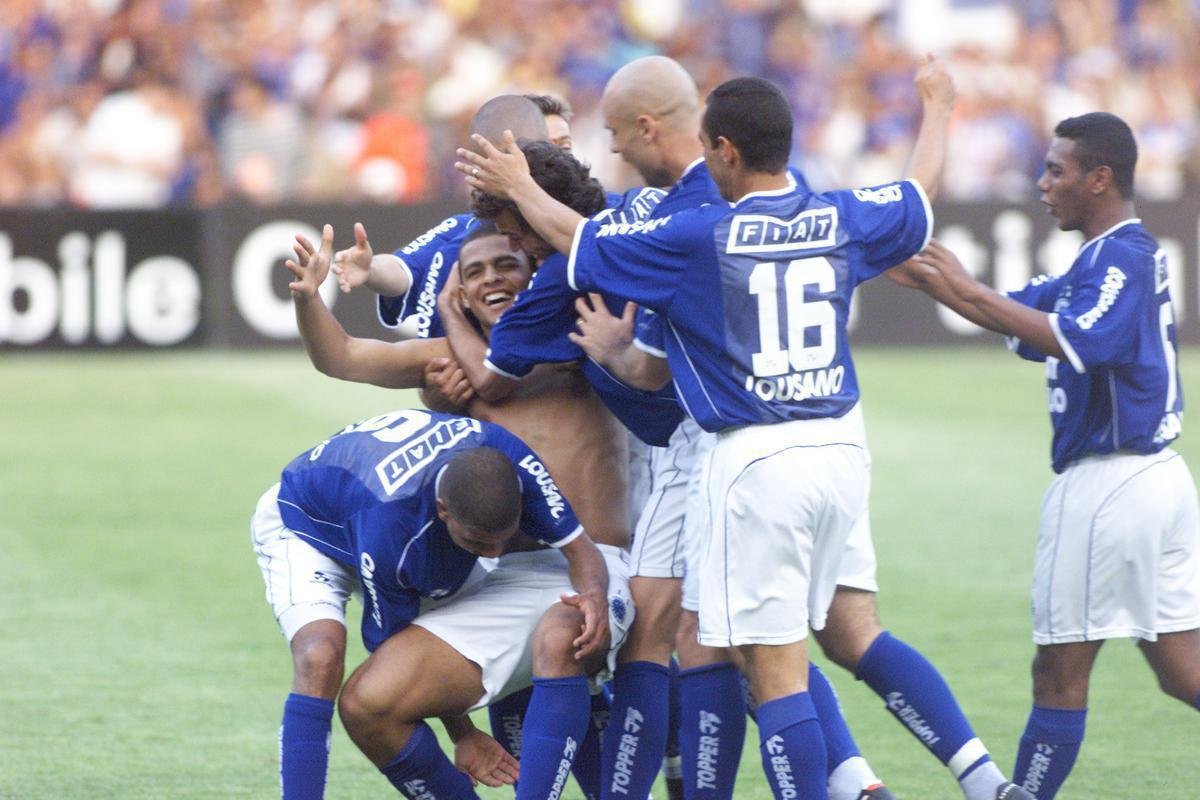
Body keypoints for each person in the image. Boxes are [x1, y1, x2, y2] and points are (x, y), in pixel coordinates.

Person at [459, 72, 1034, 800]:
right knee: (826, 636)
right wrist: (940, 107)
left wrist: (520, 183)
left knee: (763, 667)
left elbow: (580, 237)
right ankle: (917, 782)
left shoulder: (701, 233)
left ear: (725, 152)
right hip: (841, 449)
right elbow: (917, 196)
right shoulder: (837, 213)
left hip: (753, 458)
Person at [899, 111, 1200, 800]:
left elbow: (1083, 342)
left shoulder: (1123, 254)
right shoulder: (1096, 263)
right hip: (1155, 481)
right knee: (1184, 672)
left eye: (1056, 171)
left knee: (1058, 674)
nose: (1042, 184)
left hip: (1111, 483)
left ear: (1099, 179)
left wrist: (966, 287)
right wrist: (899, 263)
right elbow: (1008, 312)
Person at [286, 219, 633, 800]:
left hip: (591, 564)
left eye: (507, 266)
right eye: (475, 272)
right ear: (459, 293)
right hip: (488, 577)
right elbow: (342, 356)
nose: (493, 279)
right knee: (371, 701)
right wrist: (309, 298)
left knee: (568, 645)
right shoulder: (447, 361)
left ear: (536, 274)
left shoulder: (578, 340)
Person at [252, 406, 621, 799]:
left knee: (518, 643)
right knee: (320, 657)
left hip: (397, 521)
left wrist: (594, 600)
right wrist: (463, 733)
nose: (493, 551)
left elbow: (580, 550)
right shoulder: (392, 532)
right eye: (480, 543)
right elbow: (398, 653)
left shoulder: (514, 462)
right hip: (306, 527)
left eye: (502, 539)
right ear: (445, 510)